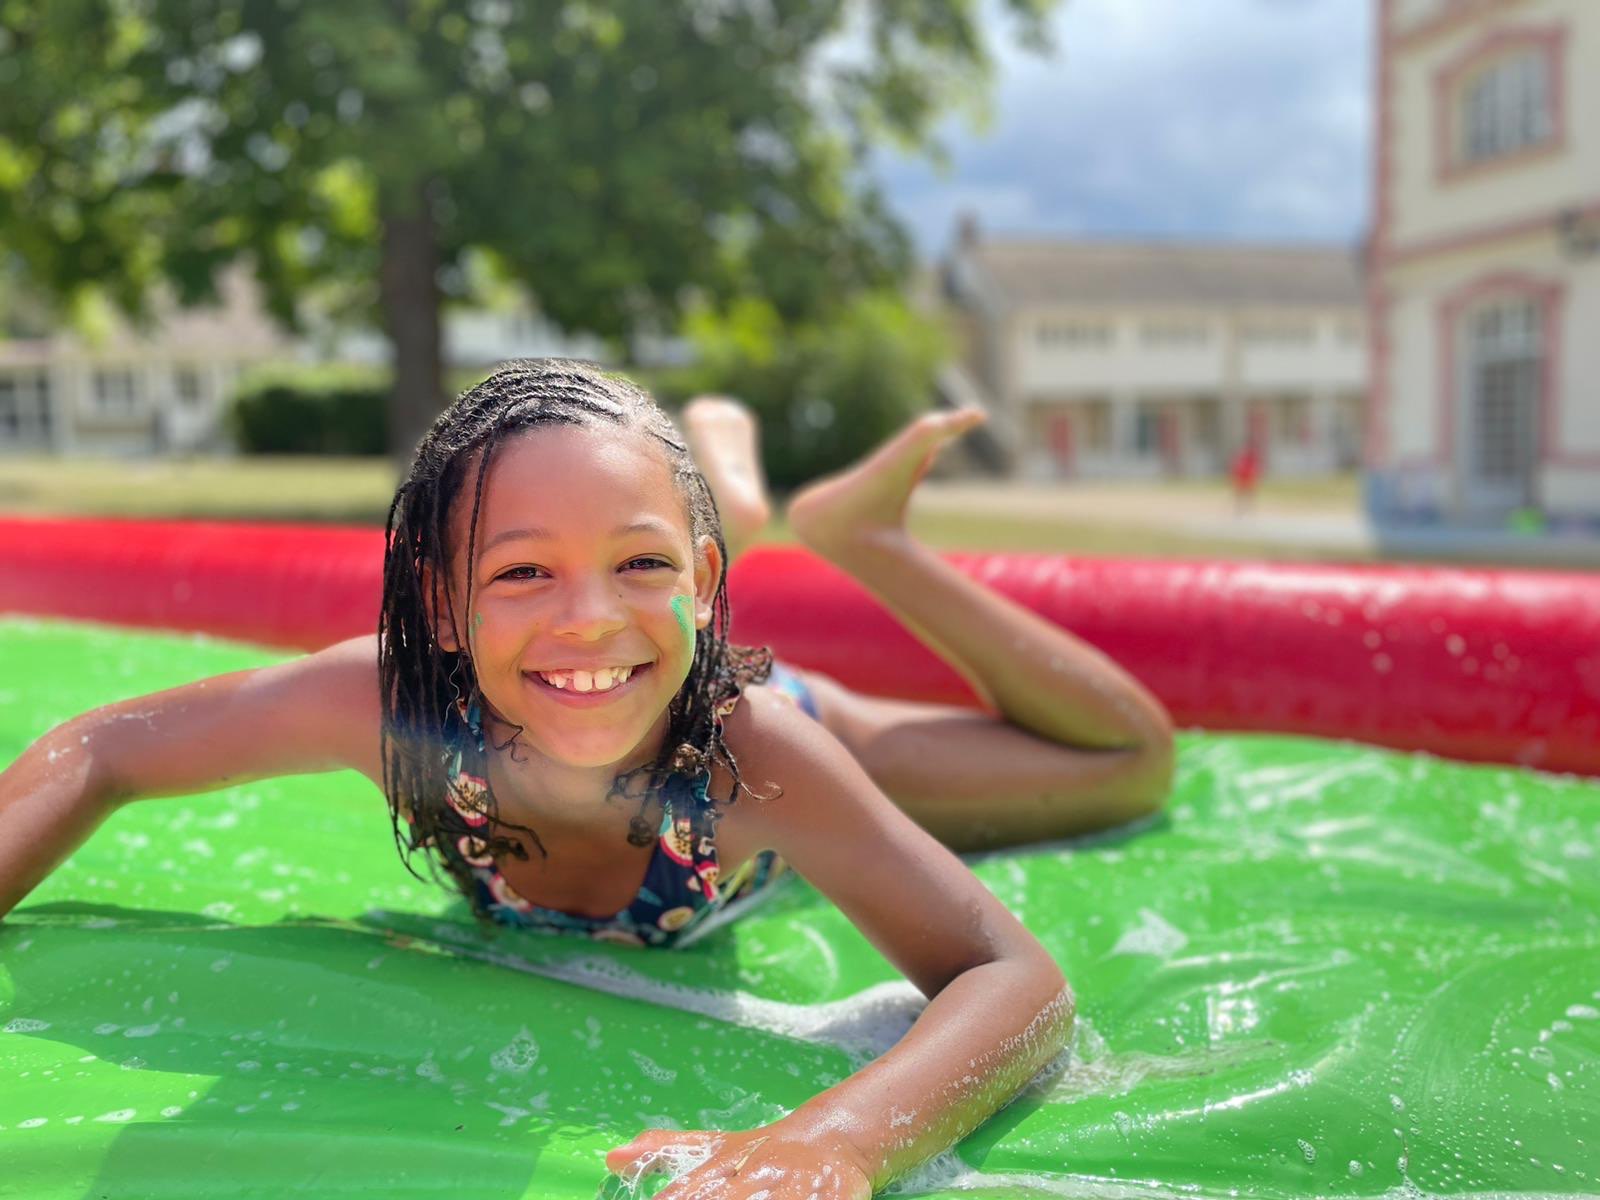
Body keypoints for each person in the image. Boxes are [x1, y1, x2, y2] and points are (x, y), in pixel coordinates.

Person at [0, 359, 1174, 1198]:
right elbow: (103, 748)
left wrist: (843, 1139)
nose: (585, 620)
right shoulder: (386, 703)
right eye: (519, 573)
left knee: (1128, 765)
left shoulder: (754, 759)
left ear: (702, 585)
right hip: (671, 663)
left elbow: (1014, 977)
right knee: (609, 629)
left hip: (773, 712)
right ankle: (727, 503)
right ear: (436, 606)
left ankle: (862, 537)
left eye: (641, 562)